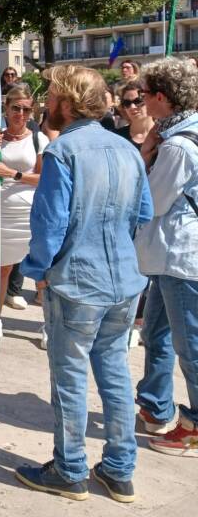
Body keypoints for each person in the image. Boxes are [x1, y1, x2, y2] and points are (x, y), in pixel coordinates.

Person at [16, 65, 151, 503]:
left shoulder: (64, 152)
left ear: (67, 104)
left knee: (70, 377)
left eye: (51, 95)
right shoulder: (126, 148)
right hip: (123, 281)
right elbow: (142, 213)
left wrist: (37, 269)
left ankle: (70, 468)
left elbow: (50, 223)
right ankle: (119, 468)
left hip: (77, 281)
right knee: (114, 372)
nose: (44, 103)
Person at [134, 58, 198, 455]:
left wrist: (145, 153)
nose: (140, 103)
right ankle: (156, 407)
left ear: (162, 97)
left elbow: (152, 201)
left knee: (190, 345)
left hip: (181, 257)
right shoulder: (181, 134)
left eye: (145, 95)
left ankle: (194, 425)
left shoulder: (177, 145)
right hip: (167, 256)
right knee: (155, 334)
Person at [0, 84, 46, 344]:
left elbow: (43, 178)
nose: (21, 113)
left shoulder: (39, 139)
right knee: (1, 268)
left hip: (31, 210)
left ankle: (47, 323)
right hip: (1, 209)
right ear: (6, 109)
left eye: (26, 109)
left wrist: (13, 174)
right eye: (16, 108)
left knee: (41, 269)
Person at [115, 80, 153, 153]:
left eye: (138, 101)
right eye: (127, 103)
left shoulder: (163, 135)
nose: (132, 107)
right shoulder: (117, 137)